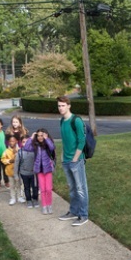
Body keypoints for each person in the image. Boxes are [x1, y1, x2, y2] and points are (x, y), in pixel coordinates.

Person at [57, 96, 89, 226]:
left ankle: (83, 215)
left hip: (76, 161)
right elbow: (65, 140)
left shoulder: (76, 120)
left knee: (81, 188)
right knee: (72, 188)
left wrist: (75, 158)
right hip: (66, 160)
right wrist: (62, 155)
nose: (60, 108)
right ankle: (73, 211)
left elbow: (82, 140)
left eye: (63, 105)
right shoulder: (62, 121)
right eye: (59, 106)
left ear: (69, 106)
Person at [23, 128, 55, 215]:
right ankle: (44, 206)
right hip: (39, 171)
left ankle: (49, 205)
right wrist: (31, 138)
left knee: (48, 189)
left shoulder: (48, 144)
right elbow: (26, 148)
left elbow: (52, 148)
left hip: (48, 170)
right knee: (43, 189)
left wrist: (47, 139)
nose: (40, 137)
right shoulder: (35, 145)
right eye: (39, 136)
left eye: (42, 135)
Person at [14, 136, 39, 209]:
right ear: (21, 143)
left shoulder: (35, 151)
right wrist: (16, 175)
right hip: (24, 174)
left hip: (34, 174)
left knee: (35, 187)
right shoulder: (20, 152)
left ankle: (35, 199)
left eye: (28, 142)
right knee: (26, 187)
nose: (26, 144)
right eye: (24, 142)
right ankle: (28, 200)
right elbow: (16, 164)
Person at [1, 135, 25, 205]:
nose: (12, 143)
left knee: (19, 185)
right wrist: (10, 161)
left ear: (16, 141)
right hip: (10, 172)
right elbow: (3, 159)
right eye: (10, 141)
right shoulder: (6, 151)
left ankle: (20, 197)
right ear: (8, 142)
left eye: (13, 141)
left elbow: (22, 159)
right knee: (12, 186)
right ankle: (13, 198)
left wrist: (16, 153)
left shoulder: (20, 150)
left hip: (18, 172)